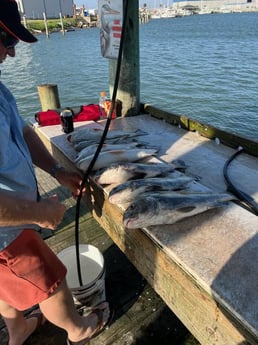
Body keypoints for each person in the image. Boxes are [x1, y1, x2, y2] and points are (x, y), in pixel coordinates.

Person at [0, 1, 111, 344]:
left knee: (6, 286)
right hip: (6, 233)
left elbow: (24, 132)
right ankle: (79, 329)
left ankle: (18, 329)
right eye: (9, 44)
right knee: (49, 279)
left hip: (15, 222)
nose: (12, 55)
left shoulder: (0, 90)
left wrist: (57, 169)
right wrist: (40, 213)